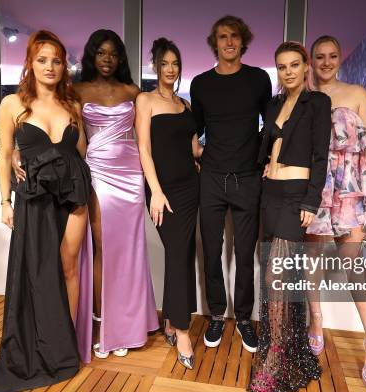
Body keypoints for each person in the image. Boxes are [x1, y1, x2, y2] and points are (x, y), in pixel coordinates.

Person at [0, 30, 91, 392]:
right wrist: (5, 201)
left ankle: (67, 346)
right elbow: (4, 153)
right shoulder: (12, 103)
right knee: (37, 271)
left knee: (68, 267)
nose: (50, 66)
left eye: (56, 60)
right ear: (30, 63)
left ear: (64, 65)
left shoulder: (73, 104)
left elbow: (79, 151)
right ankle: (39, 344)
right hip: (34, 196)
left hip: (73, 194)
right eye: (42, 59)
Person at [247, 41, 329, 392]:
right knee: (273, 275)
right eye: (282, 67)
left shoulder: (318, 103)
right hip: (271, 194)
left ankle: (277, 355)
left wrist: (311, 201)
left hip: (297, 196)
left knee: (276, 274)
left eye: (295, 64)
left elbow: (320, 157)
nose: (289, 71)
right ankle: (283, 346)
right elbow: (267, 147)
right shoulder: (274, 105)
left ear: (306, 65)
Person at [306, 35, 366, 392]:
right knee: (312, 260)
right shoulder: (305, 97)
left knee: (355, 267)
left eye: (332, 55)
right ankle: (316, 322)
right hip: (314, 189)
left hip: (350, 189)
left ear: (340, 58)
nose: (325, 62)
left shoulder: (358, 94)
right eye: (319, 56)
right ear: (311, 60)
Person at [74, 29, 159, 359]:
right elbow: (72, 135)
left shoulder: (132, 91)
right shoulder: (77, 90)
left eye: (113, 54)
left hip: (131, 175)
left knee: (130, 252)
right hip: (98, 174)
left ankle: (127, 324)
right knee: (103, 250)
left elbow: (145, 140)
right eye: (101, 53)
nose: (107, 59)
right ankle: (102, 320)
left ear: (120, 58)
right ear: (92, 56)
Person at [190, 15, 272, 353]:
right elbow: (194, 128)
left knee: (244, 252)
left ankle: (242, 318)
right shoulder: (200, 83)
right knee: (211, 250)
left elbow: (271, 127)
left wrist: (269, 161)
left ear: (243, 40)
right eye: (222, 37)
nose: (229, 42)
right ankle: (215, 315)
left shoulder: (258, 79)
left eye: (234, 36)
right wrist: (195, 151)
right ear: (215, 43)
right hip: (210, 177)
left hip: (248, 178)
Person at [136, 38, 202, 369]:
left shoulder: (185, 106)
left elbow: (193, 150)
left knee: (182, 254)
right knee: (178, 254)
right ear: (155, 67)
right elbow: (144, 150)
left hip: (192, 188)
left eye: (175, 64)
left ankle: (170, 321)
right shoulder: (145, 101)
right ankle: (183, 330)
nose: (171, 69)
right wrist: (156, 191)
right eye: (165, 64)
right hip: (163, 191)